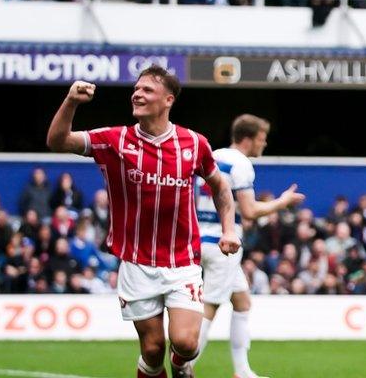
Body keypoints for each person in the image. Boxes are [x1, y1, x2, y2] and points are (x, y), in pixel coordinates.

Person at [47, 67, 241, 378]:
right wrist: (71, 101)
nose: (137, 94)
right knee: (151, 351)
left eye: (147, 90)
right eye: (136, 89)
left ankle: (181, 363)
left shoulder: (194, 143)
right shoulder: (114, 140)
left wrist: (229, 229)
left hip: (181, 261)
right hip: (136, 262)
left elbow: (220, 186)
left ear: (168, 100)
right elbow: (58, 141)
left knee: (186, 342)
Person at [193, 114, 305, 378]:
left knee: (241, 301)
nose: (263, 145)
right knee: (210, 306)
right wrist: (282, 202)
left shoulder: (212, 155)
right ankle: (184, 367)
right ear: (248, 139)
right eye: (261, 139)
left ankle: (242, 371)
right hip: (225, 243)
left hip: (200, 238)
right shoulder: (241, 164)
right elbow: (250, 211)